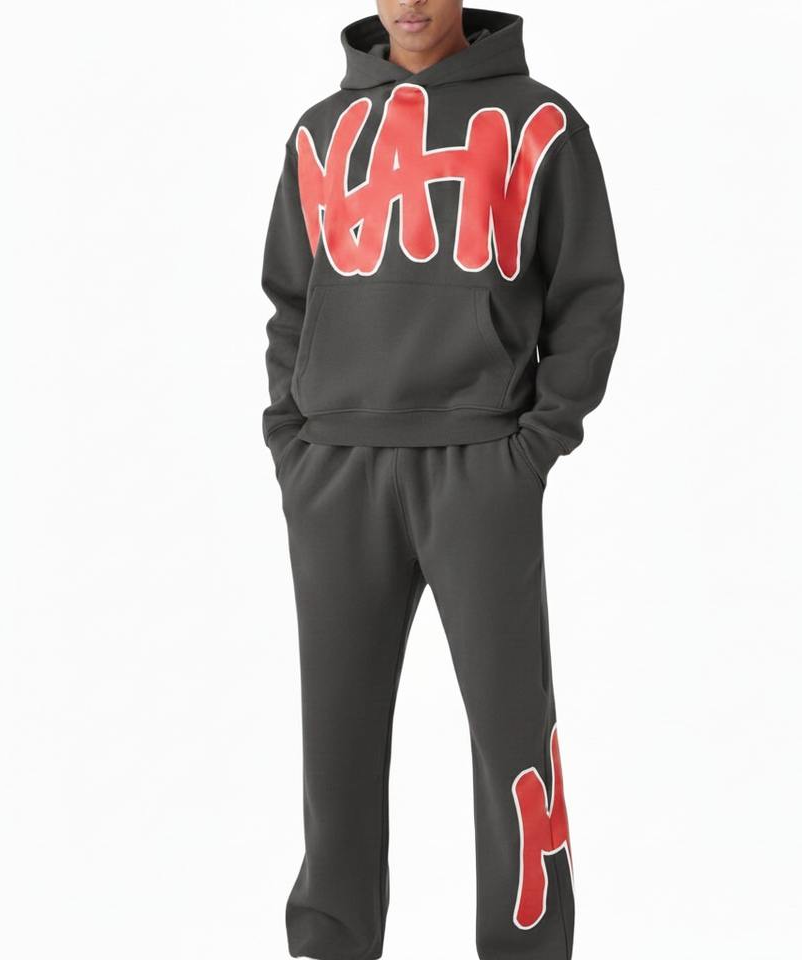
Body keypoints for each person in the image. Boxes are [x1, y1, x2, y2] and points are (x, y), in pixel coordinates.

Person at [260, 2, 623, 957]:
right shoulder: (321, 131)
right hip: (335, 470)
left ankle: (525, 948)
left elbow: (589, 295)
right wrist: (291, 435)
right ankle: (330, 944)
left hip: (480, 466)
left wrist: (536, 442)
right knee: (335, 742)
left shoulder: (542, 123)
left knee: (512, 734)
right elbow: (291, 298)